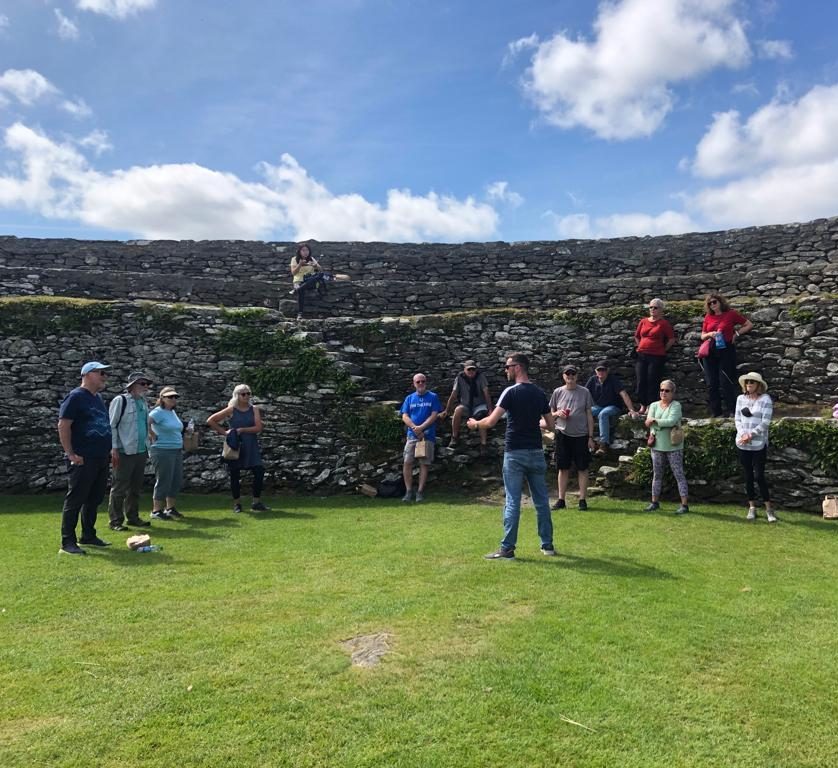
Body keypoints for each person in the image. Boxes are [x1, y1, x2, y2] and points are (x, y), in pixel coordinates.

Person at [467, 353, 556, 559]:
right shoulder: (539, 393)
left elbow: (490, 422)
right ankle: (547, 546)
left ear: (517, 367)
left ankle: (508, 549)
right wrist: (535, 425)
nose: (505, 370)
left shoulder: (510, 392)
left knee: (512, 501)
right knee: (542, 501)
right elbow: (551, 426)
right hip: (535, 452)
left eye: (507, 367)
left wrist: (474, 424)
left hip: (514, 452)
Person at [57, 361, 114, 554]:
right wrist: (71, 453)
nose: (104, 377)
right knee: (76, 499)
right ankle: (67, 542)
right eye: (101, 373)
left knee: (94, 499)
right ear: (87, 374)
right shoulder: (75, 397)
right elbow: (63, 425)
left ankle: (88, 535)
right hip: (83, 457)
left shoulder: (97, 398)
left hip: (100, 457)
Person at [207, 384, 270, 513]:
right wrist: (225, 433)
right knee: (235, 474)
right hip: (236, 445)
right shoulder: (231, 410)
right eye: (243, 394)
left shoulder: (254, 409)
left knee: (259, 471)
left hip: (250, 444)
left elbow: (258, 428)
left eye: (248, 393)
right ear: (237, 396)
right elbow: (211, 420)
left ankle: (256, 502)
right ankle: (237, 504)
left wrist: (242, 430)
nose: (246, 396)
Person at [107, 371, 153, 531]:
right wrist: (114, 448)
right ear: (132, 385)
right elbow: (112, 425)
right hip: (124, 450)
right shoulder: (120, 401)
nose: (146, 387)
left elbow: (144, 424)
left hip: (140, 450)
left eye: (147, 384)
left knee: (135, 487)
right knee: (119, 486)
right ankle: (115, 521)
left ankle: (133, 517)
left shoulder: (143, 402)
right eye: (143, 384)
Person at [699, 293, 753, 417]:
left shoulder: (731, 314)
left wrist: (736, 334)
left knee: (726, 381)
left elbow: (748, 324)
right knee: (711, 383)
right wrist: (710, 334)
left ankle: (732, 410)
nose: (712, 305)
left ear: (720, 302)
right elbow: (702, 335)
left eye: (714, 302)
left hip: (726, 349)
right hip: (711, 350)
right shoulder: (708, 317)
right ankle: (716, 412)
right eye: (710, 303)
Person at [550, 364, 595, 510]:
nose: (570, 376)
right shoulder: (557, 392)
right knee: (562, 468)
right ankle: (561, 500)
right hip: (562, 434)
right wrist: (558, 414)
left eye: (573, 374)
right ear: (563, 376)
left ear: (577, 376)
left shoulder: (585, 392)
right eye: (567, 374)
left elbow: (589, 415)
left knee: (583, 467)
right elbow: (550, 414)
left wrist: (590, 437)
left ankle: (582, 500)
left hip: (581, 435)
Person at [734, 372, 776, 522]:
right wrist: (743, 434)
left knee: (759, 476)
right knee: (748, 476)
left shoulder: (765, 399)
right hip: (742, 443)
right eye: (747, 382)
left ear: (759, 385)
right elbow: (737, 419)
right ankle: (752, 507)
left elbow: (765, 422)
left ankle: (769, 509)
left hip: (758, 444)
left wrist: (750, 435)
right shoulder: (740, 399)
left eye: (752, 382)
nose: (749, 384)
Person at [645, 379, 689, 515]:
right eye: (662, 390)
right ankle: (654, 502)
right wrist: (655, 422)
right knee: (657, 475)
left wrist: (655, 421)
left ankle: (684, 505)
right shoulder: (653, 405)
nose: (663, 393)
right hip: (657, 444)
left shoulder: (676, 405)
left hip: (673, 446)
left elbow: (671, 421)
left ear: (673, 393)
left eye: (667, 390)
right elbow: (647, 422)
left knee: (679, 474)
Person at [399, 373, 442, 502]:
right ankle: (408, 491)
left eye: (423, 381)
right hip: (412, 436)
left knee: (424, 463)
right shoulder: (409, 398)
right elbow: (404, 416)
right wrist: (414, 428)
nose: (421, 384)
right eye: (418, 382)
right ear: (414, 383)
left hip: (427, 435)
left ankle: (420, 492)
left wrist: (422, 428)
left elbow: (434, 414)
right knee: (407, 462)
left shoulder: (433, 397)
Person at [584, 361, 638, 455]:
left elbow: (624, 394)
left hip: (613, 406)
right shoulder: (593, 380)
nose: (601, 372)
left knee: (603, 414)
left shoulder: (613, 380)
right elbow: (583, 394)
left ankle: (603, 444)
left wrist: (631, 410)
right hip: (598, 406)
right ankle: (585, 439)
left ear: (607, 370)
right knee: (583, 413)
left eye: (603, 370)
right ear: (596, 371)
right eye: (599, 370)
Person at [148, 386, 184, 521]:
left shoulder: (172, 412)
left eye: (175, 397)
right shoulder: (158, 412)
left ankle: (170, 508)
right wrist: (151, 433)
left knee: (175, 479)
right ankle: (156, 510)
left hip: (176, 449)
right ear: (162, 398)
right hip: (162, 450)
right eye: (170, 397)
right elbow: (146, 421)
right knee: (164, 479)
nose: (173, 399)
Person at [634, 298, 676, 413]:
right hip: (642, 355)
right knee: (640, 380)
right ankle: (642, 404)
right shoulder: (643, 321)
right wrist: (640, 347)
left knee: (652, 380)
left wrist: (662, 349)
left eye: (655, 307)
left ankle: (650, 406)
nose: (652, 309)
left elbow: (671, 339)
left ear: (661, 309)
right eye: (651, 307)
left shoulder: (664, 324)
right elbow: (637, 336)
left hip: (656, 356)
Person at [443, 359, 493, 453]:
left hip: (479, 405)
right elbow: (454, 394)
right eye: (469, 369)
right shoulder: (460, 378)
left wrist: (490, 409)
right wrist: (447, 410)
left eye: (473, 369)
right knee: (458, 410)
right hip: (465, 405)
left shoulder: (480, 377)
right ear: (464, 369)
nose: (471, 372)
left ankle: (483, 444)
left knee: (482, 415)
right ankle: (454, 437)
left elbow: (486, 393)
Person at [289, 243, 331, 320]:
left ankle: (297, 290)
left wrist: (315, 266)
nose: (305, 252)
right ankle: (300, 313)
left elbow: (321, 270)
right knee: (301, 290)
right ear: (299, 251)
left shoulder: (311, 258)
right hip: (299, 281)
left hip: (310, 281)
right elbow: (293, 273)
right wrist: (300, 264)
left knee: (320, 275)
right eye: (303, 250)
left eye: (307, 250)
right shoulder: (294, 259)